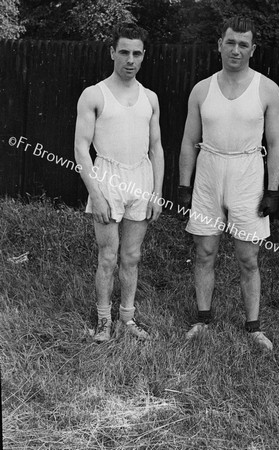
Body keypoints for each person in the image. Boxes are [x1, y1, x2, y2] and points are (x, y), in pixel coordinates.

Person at [178, 17, 279, 350]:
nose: (235, 50)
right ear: (219, 45)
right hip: (209, 171)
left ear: (252, 49)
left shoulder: (267, 89)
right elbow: (187, 141)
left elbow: (278, 144)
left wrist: (273, 190)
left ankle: (253, 326)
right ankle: (203, 319)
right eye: (230, 43)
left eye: (242, 44)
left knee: (247, 257)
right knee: (205, 251)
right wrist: (184, 186)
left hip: (247, 172)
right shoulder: (201, 89)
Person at [74, 23, 164, 342]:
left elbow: (156, 148)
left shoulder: (150, 98)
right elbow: (81, 148)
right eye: (123, 52)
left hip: (140, 178)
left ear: (143, 56)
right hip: (106, 178)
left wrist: (157, 193)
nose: (130, 59)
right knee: (108, 256)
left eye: (136, 53)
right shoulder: (94, 95)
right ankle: (103, 321)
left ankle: (127, 318)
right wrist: (95, 194)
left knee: (132, 256)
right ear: (112, 52)